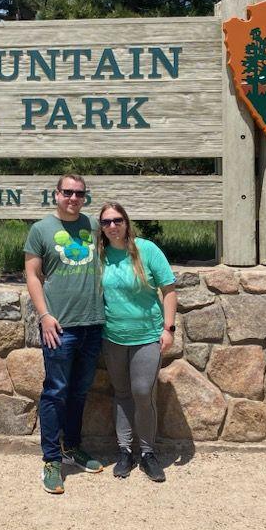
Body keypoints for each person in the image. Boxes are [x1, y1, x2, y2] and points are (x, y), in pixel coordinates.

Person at [24, 173, 105, 495]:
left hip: (93, 323)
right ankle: (51, 460)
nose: (73, 198)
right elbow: (31, 275)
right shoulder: (41, 229)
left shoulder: (94, 226)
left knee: (80, 391)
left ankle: (72, 447)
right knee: (55, 391)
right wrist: (44, 315)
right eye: (68, 192)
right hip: (60, 326)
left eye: (79, 193)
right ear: (56, 195)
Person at [97, 202, 177, 482]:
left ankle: (147, 452)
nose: (112, 226)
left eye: (117, 220)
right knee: (121, 393)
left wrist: (169, 329)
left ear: (127, 222)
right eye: (106, 222)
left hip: (146, 336)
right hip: (113, 337)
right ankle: (124, 451)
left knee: (142, 392)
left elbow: (168, 289)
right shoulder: (100, 255)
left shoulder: (147, 250)